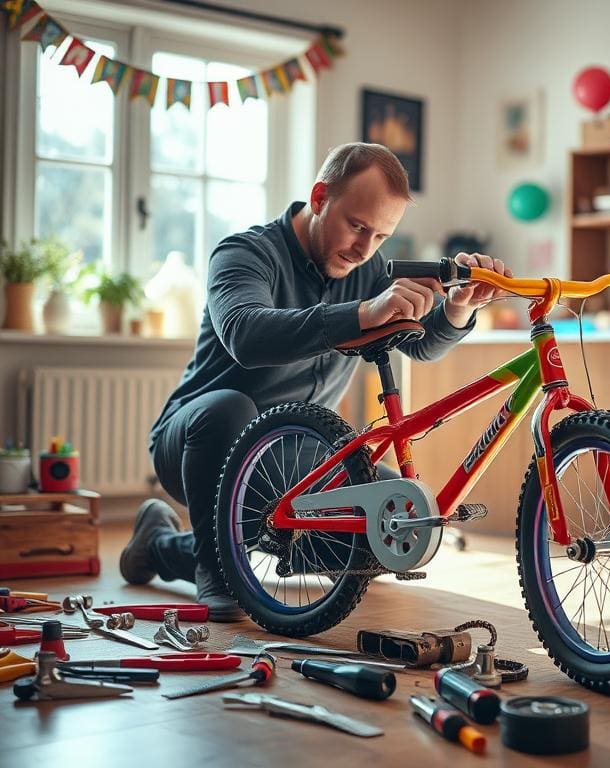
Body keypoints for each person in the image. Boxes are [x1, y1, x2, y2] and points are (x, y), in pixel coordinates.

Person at [120, 142, 510, 621]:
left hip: (300, 461)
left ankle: (163, 547)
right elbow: (247, 334)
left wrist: (458, 307)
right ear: (321, 197)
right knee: (229, 408)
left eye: (381, 237)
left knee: (398, 523)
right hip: (200, 444)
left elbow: (419, 345)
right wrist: (363, 313)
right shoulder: (244, 252)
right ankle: (217, 566)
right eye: (358, 226)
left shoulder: (366, 268)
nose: (365, 248)